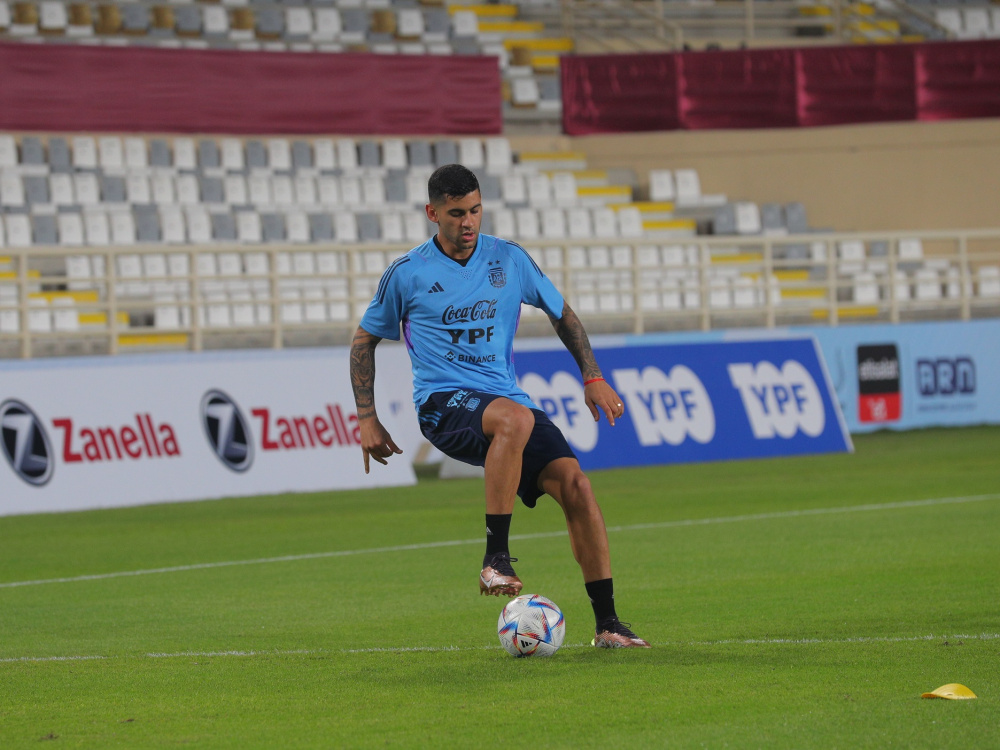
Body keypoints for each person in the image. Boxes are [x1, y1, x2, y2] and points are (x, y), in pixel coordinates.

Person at [349, 164, 649, 648]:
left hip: (506, 401)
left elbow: (561, 313)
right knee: (515, 418)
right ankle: (496, 559)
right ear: (432, 213)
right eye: (455, 213)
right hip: (442, 404)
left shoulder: (508, 260)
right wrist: (367, 417)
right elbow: (364, 340)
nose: (468, 222)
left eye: (475, 210)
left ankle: (609, 624)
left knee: (577, 485)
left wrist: (592, 376)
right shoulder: (407, 274)